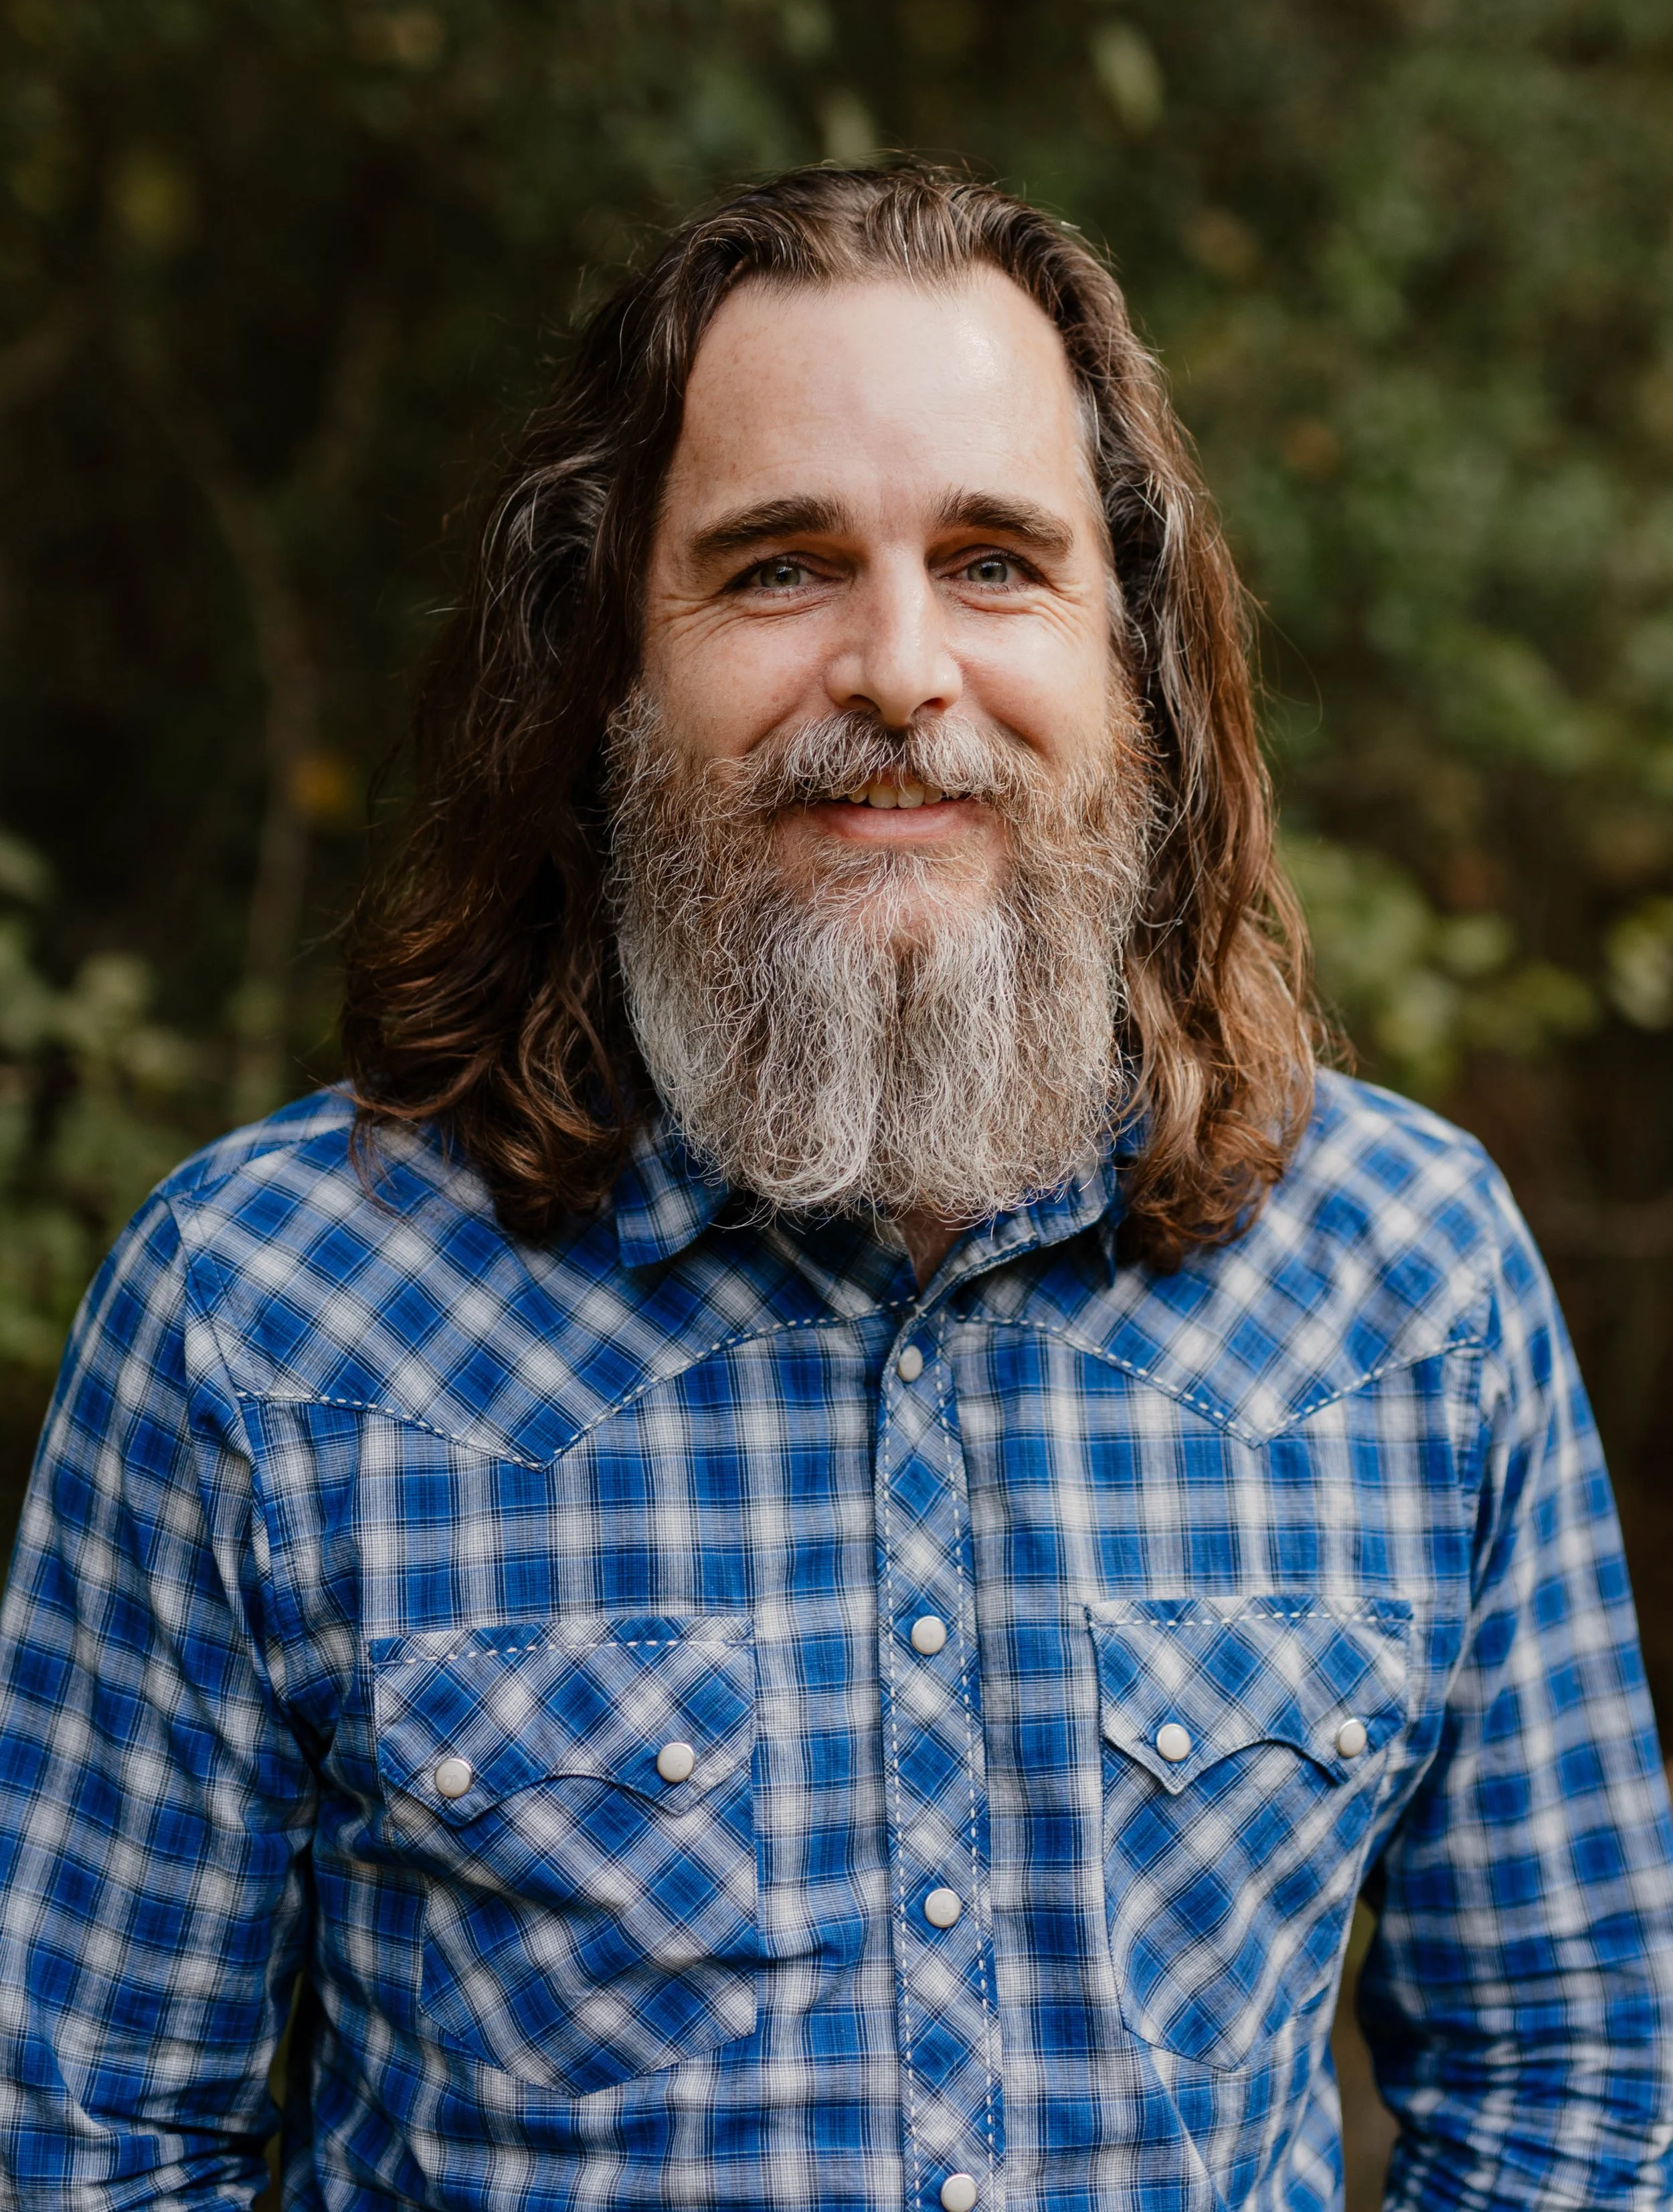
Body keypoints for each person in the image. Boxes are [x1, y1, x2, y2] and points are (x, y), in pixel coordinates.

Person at [0, 166, 1668, 2212]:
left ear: (1126, 648)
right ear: (610, 658)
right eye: (780, 566)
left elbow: (1575, 2078)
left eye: (991, 561)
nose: (897, 669)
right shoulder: (262, 1312)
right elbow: (79, 2140)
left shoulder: (1410, 1279)